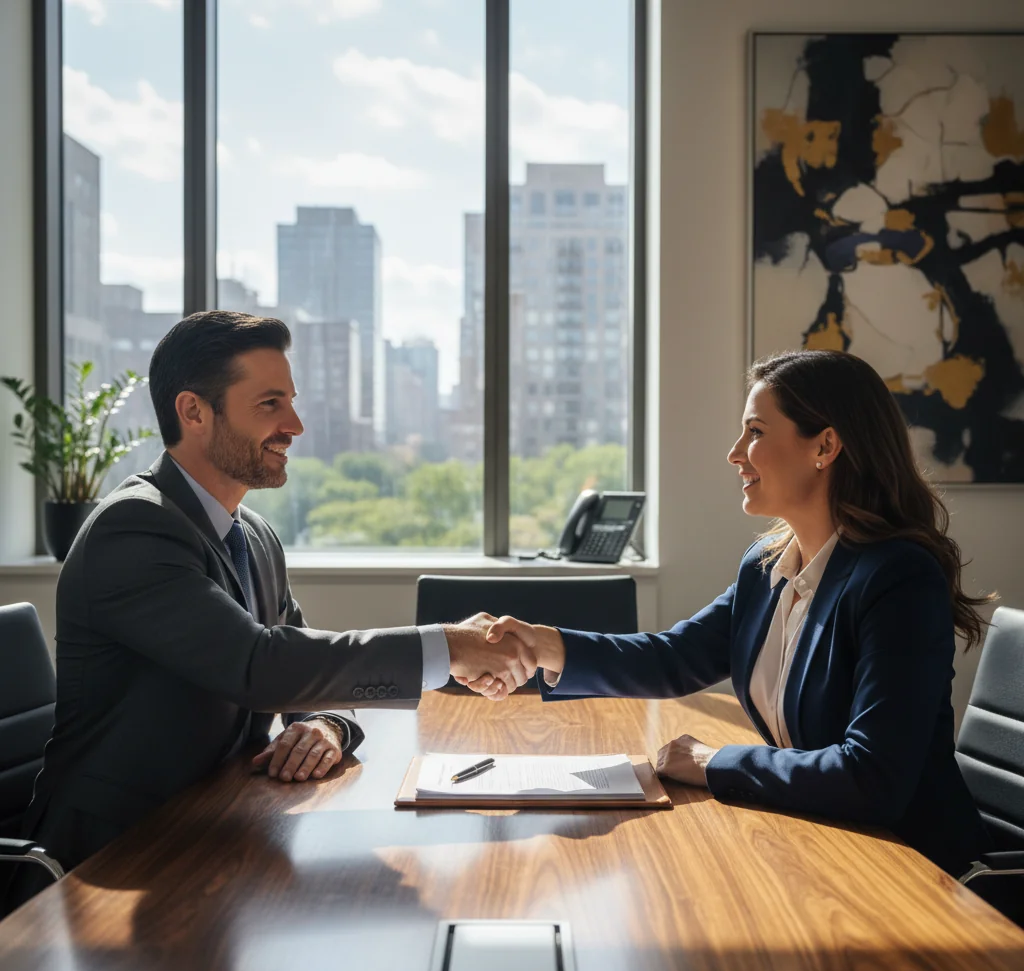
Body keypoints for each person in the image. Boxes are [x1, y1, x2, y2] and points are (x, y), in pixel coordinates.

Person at [6, 310, 531, 912]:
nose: (295, 425)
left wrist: (326, 725)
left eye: (292, 402)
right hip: (111, 863)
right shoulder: (134, 529)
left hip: (214, 833)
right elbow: (260, 666)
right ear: (194, 412)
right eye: (269, 405)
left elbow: (303, 667)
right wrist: (449, 645)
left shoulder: (252, 534)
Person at [473, 349, 993, 877]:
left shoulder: (897, 579)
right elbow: (676, 658)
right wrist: (545, 645)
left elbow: (871, 777)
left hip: (913, 869)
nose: (735, 453)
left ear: (826, 446)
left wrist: (709, 761)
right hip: (822, 844)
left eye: (756, 432)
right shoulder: (768, 565)